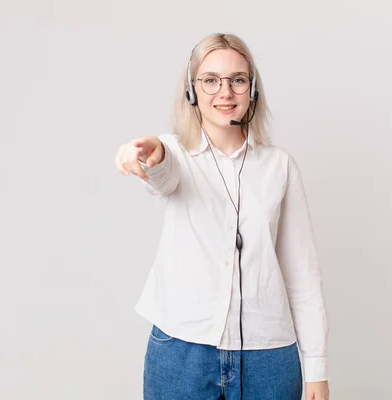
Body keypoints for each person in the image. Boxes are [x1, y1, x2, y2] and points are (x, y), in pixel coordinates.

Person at [114, 33, 330, 400]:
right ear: (192, 90)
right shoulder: (175, 154)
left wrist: (317, 369)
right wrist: (148, 153)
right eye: (211, 80)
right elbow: (162, 175)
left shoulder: (279, 166)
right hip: (182, 349)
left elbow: (301, 275)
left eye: (237, 80)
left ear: (253, 90)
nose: (225, 92)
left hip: (268, 356)